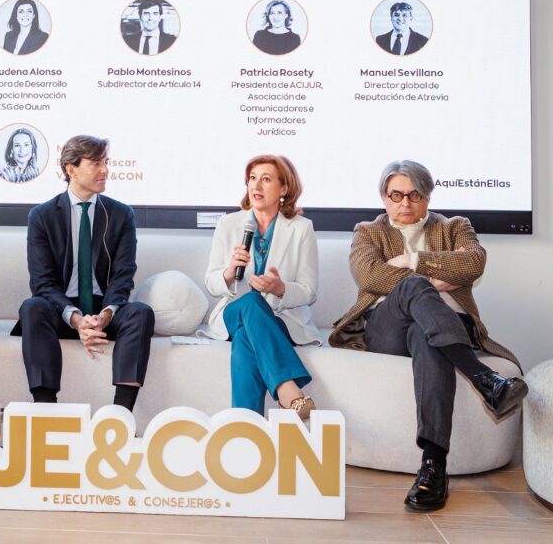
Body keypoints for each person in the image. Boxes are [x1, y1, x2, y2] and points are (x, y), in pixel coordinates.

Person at [330, 160, 528, 512]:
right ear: (384, 198)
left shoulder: (455, 226)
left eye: (414, 194)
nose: (405, 203)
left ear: (427, 196)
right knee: (415, 288)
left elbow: (473, 264)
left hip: (449, 324)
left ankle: (433, 467)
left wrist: (410, 260)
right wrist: (432, 277)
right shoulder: (367, 231)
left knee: (427, 336)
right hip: (387, 328)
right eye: (396, 195)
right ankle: (485, 380)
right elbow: (369, 277)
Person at [12, 135, 155, 411]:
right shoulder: (42, 216)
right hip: (62, 310)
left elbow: (124, 275)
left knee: (141, 312)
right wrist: (76, 318)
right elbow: (42, 283)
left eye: (106, 162)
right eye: (95, 163)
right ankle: (45, 410)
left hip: (105, 311)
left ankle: (120, 413)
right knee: (32, 307)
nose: (105, 170)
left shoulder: (121, 214)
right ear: (71, 169)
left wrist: (104, 316)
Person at [202, 155, 319, 418]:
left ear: (284, 188)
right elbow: (211, 282)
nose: (256, 186)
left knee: (246, 337)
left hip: (281, 318)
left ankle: (245, 426)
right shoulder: (229, 224)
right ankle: (289, 390)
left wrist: (280, 288)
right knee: (252, 303)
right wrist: (231, 271)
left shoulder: (301, 228)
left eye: (266, 179)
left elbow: (310, 290)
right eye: (252, 179)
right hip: (234, 311)